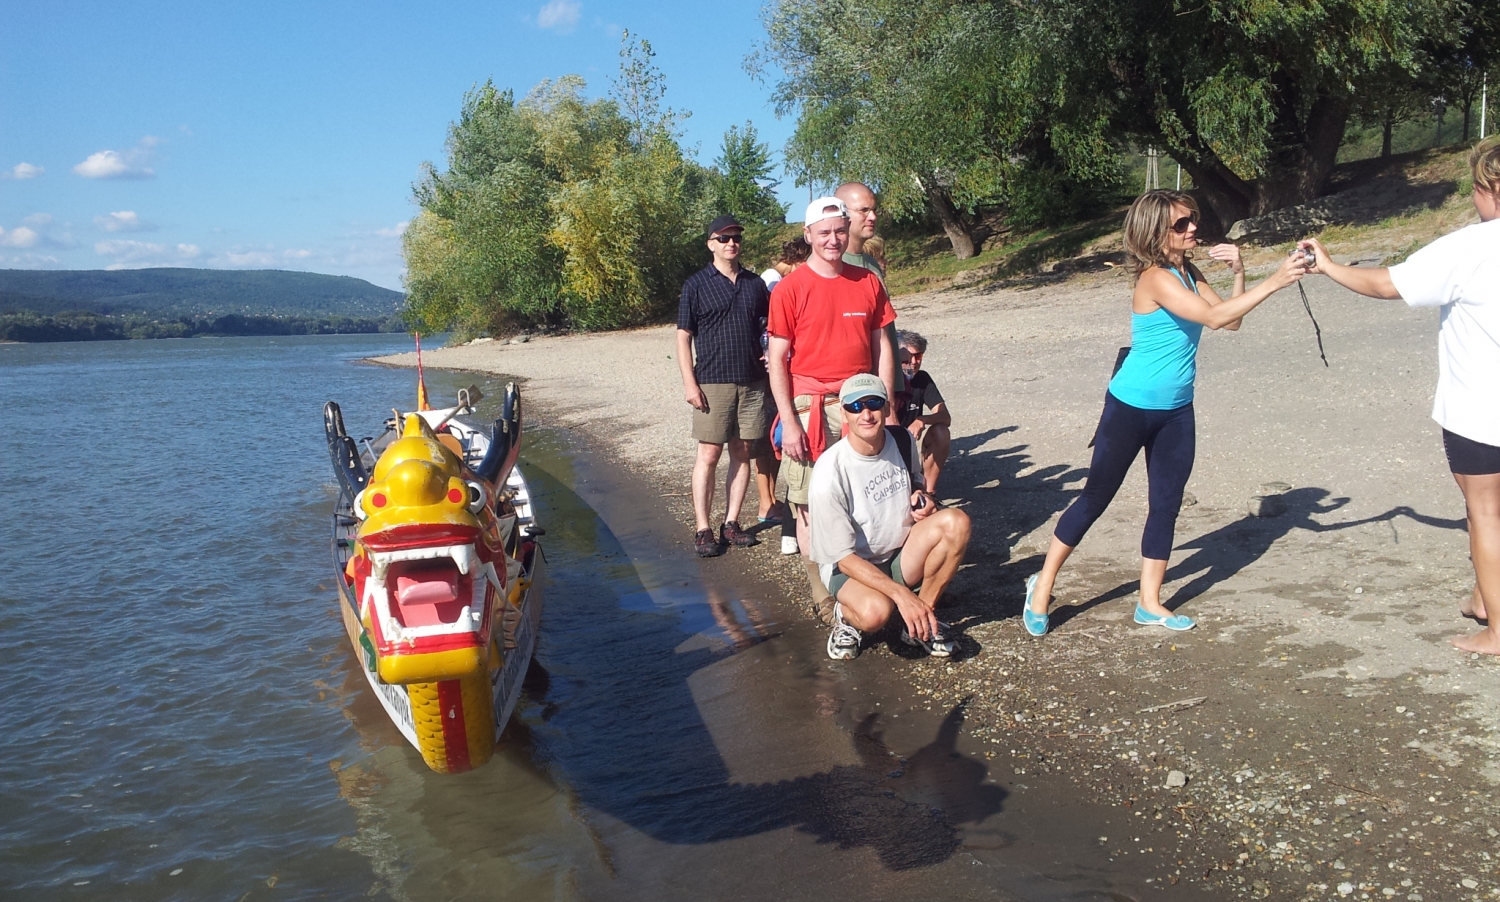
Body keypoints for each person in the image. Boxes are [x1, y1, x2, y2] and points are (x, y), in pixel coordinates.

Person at [1022, 190, 1309, 636]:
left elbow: (1230, 320)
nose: (1193, 227)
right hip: (1130, 407)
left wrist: (1240, 273)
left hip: (1176, 411)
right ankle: (1041, 586)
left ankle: (1149, 602)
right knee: (1095, 498)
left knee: (1166, 505)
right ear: (1155, 233)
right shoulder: (1155, 278)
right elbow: (1214, 319)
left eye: (1192, 218)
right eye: (1181, 224)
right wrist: (1275, 280)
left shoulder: (1188, 272)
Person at [1298, 137, 1500, 655]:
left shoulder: (1472, 246)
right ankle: (1484, 598)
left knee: (1484, 511)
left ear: (1490, 190)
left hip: (1480, 411)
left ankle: (1497, 631)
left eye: (1475, 188)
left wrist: (1328, 265)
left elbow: (1388, 285)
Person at [768, 196, 897, 619]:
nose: (833, 239)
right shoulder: (789, 289)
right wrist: (790, 422)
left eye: (840, 231)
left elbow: (883, 347)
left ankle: (869, 577)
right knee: (809, 502)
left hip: (861, 402)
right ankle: (821, 592)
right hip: (812, 407)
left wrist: (887, 403)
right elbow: (777, 359)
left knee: (866, 494)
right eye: (823, 233)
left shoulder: (868, 281)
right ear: (808, 235)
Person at [809, 373, 972, 659]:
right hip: (850, 566)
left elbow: (917, 481)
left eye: (874, 403)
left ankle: (920, 623)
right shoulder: (829, 472)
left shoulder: (901, 439)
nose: (866, 414)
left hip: (899, 551)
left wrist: (921, 497)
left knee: (957, 523)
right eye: (855, 406)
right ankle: (845, 616)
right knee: (875, 614)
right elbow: (843, 559)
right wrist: (901, 594)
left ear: (887, 408)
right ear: (844, 414)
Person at [676, 214, 773, 557]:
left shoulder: (755, 284)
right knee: (709, 454)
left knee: (742, 452)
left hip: (752, 381)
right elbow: (683, 336)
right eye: (724, 238)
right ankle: (703, 529)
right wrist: (690, 383)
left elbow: (768, 326)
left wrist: (768, 352)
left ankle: (731, 523)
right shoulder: (696, 285)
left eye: (736, 238)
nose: (731, 243)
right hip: (712, 380)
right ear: (711, 244)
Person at [759, 237, 812, 555]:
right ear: (798, 259)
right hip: (775, 367)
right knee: (773, 438)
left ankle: (771, 502)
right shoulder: (773, 281)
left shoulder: (774, 279)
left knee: (774, 440)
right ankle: (767, 502)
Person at [835, 182, 904, 401]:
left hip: (883, 385)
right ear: (843, 214)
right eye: (863, 210)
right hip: (858, 392)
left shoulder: (871, 264)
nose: (872, 216)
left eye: (874, 209)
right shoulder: (831, 266)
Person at [895, 330, 952, 496]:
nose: (913, 362)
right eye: (908, 358)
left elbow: (945, 417)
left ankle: (929, 493)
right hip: (887, 442)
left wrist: (922, 419)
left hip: (909, 440)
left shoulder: (922, 379)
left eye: (918, 356)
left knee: (941, 432)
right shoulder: (888, 380)